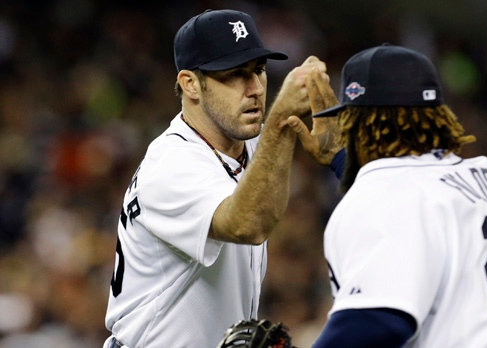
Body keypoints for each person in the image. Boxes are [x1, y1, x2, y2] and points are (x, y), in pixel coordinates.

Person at [288, 44, 487, 347]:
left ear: (355, 122)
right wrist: (345, 161)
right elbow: (416, 197)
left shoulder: (388, 194)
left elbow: (377, 322)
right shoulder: (480, 173)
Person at [102, 9, 328, 348]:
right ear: (190, 84)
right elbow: (248, 224)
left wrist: (343, 158)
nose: (254, 89)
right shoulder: (170, 163)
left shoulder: (245, 137)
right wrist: (283, 119)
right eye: (235, 75)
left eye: (259, 71)